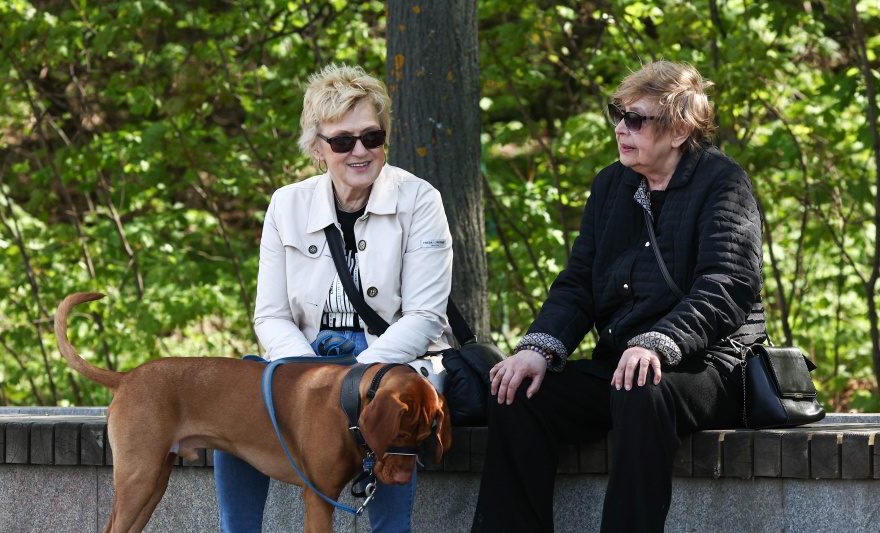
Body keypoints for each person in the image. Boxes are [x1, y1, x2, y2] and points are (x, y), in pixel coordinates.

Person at [470, 60, 766, 533]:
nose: (620, 129)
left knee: (639, 387)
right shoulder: (611, 184)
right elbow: (578, 282)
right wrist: (538, 348)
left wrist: (657, 343)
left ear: (679, 129)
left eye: (636, 119)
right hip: (621, 365)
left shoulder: (723, 182)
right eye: (618, 114)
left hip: (711, 365)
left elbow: (728, 284)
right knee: (518, 391)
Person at [214, 63, 453, 533]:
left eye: (372, 137)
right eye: (343, 141)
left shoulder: (419, 199)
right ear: (317, 148)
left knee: (392, 402)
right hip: (304, 357)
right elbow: (270, 315)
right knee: (237, 394)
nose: (360, 151)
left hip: (390, 355)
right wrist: (308, 373)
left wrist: (356, 378)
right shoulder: (287, 203)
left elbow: (425, 316)